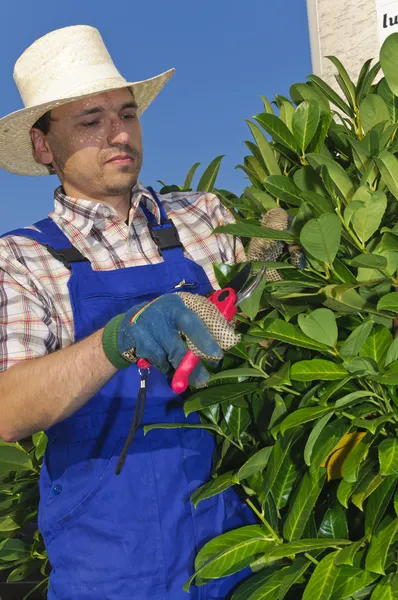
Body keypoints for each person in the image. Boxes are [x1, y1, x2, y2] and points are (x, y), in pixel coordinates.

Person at [0, 25, 258, 599]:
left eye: (127, 113)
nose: (118, 133)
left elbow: (260, 336)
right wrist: (121, 338)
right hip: (109, 564)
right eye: (90, 121)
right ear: (45, 146)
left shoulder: (205, 217)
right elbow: (8, 409)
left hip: (237, 541)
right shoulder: (21, 257)